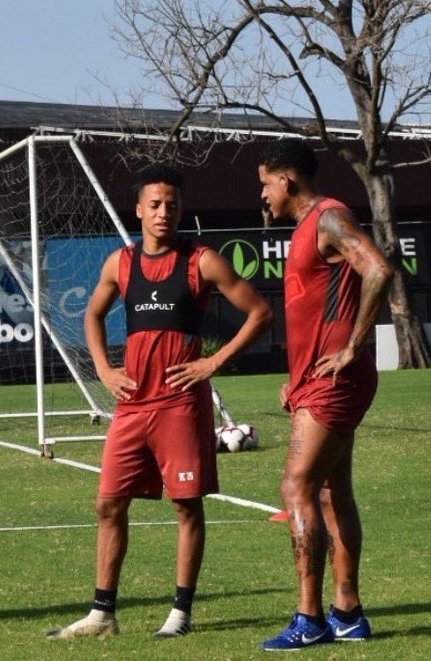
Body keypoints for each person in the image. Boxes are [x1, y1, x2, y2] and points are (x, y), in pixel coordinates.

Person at [47, 163, 271, 639]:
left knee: (187, 506)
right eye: (155, 204)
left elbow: (259, 312)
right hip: (132, 406)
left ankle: (180, 614)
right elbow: (92, 313)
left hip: (180, 405)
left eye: (172, 205)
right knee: (108, 504)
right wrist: (105, 370)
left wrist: (213, 363)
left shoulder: (201, 261)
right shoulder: (120, 263)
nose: (163, 212)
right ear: (139, 210)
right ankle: (102, 615)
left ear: (180, 209)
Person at [256, 139, 392, 650]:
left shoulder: (330, 217)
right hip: (317, 380)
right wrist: (296, 376)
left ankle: (309, 618)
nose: (263, 195)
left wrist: (352, 348)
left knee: (295, 488)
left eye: (265, 183)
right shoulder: (306, 228)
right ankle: (347, 612)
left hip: (335, 381)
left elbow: (378, 268)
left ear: (287, 180)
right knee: (333, 495)